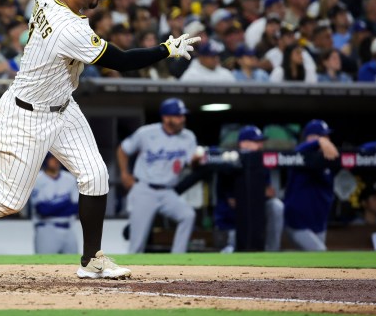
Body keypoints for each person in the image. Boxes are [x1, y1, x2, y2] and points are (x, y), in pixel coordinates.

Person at [0, 0, 200, 278]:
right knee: (7, 202)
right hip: (26, 116)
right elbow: (122, 61)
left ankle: (92, 259)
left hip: (63, 107)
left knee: (95, 176)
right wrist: (165, 49)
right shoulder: (70, 29)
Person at [116, 98, 197, 253]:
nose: (183, 119)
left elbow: (189, 164)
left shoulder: (188, 137)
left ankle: (177, 259)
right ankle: (132, 270)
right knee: (137, 242)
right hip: (145, 189)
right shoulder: (146, 133)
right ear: (166, 118)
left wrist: (196, 161)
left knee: (188, 215)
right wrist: (124, 173)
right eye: (178, 116)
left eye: (183, 115)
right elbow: (123, 150)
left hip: (167, 191)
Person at [214, 125, 284, 253]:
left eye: (260, 141)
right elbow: (231, 200)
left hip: (255, 216)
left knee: (276, 205)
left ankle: (272, 251)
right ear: (244, 144)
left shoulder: (262, 162)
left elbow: (269, 191)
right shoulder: (229, 161)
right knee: (229, 251)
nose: (260, 145)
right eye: (256, 142)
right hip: (231, 223)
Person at [283, 119, 340, 251]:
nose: (327, 139)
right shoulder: (299, 156)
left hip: (319, 225)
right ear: (311, 137)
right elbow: (296, 151)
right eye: (323, 136)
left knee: (312, 264)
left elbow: (359, 152)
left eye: (327, 136)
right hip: (298, 225)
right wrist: (317, 142)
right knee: (320, 253)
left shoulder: (329, 160)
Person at [31, 153, 79, 254]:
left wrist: (53, 206)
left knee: (73, 265)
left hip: (68, 228)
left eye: (58, 158)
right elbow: (43, 210)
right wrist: (66, 203)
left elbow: (75, 207)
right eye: (52, 158)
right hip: (46, 229)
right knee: (44, 265)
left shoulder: (69, 178)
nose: (56, 161)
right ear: (45, 160)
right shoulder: (37, 180)